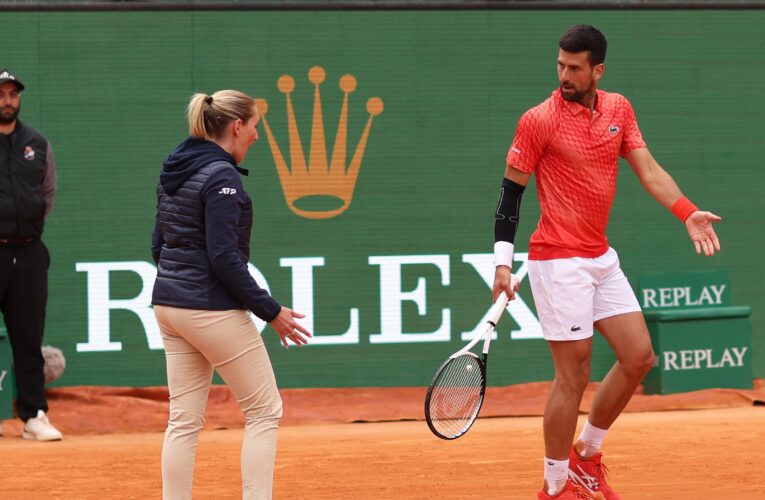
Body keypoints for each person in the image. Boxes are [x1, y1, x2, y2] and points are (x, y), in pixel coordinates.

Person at [491, 26, 721, 500]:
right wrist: (501, 264)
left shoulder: (619, 109)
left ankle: (587, 457)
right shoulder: (538, 120)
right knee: (572, 377)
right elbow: (509, 195)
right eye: (560, 65)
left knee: (639, 357)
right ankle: (555, 486)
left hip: (600, 256)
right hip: (558, 262)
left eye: (575, 68)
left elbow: (650, 170)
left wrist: (686, 211)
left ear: (598, 70)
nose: (564, 75)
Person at [151, 90, 311, 500]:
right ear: (236, 126)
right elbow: (224, 258)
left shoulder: (176, 167)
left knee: (183, 420)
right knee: (264, 410)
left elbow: (159, 245)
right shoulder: (220, 176)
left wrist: (181, 283)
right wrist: (271, 311)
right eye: (255, 125)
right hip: (207, 307)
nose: (257, 135)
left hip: (168, 304)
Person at [0, 69, 62, 441]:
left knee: (28, 337)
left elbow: (48, 193)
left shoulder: (36, 143)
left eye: (13, 94)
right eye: (2, 93)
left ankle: (34, 415)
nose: (7, 100)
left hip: (29, 254)